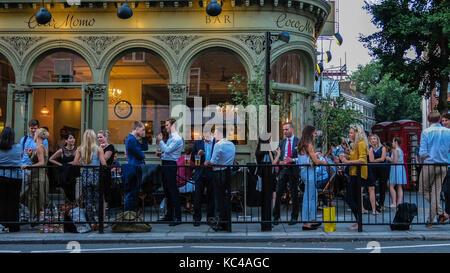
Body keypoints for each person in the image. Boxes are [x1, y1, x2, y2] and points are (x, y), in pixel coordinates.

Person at [418, 112, 450, 228]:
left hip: (429, 164)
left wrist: (421, 163)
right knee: (437, 192)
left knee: (423, 190)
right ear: (440, 119)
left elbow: (422, 152)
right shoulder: (448, 132)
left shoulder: (426, 132)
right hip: (444, 165)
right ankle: (431, 219)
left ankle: (441, 213)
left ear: (428, 120)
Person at [73, 129, 107, 231]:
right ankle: (98, 222)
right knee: (97, 199)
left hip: (86, 175)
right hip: (96, 174)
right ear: (93, 138)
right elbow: (103, 163)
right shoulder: (98, 149)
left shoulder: (80, 149)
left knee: (88, 200)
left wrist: (84, 164)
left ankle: (91, 222)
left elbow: (75, 162)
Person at [297, 125, 328, 231]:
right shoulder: (309, 144)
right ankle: (306, 222)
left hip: (306, 171)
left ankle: (312, 219)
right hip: (309, 171)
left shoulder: (303, 144)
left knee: (313, 195)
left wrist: (315, 154)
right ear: (310, 133)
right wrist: (324, 162)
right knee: (308, 196)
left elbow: (308, 157)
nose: (315, 135)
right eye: (314, 133)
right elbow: (315, 161)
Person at [205, 125, 236, 232]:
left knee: (218, 198)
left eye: (215, 133)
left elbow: (213, 162)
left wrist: (206, 162)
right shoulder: (232, 145)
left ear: (220, 134)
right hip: (228, 173)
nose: (214, 135)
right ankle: (227, 223)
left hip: (218, 173)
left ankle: (219, 223)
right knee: (225, 198)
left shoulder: (218, 145)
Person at [339, 124, 368, 231]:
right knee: (353, 198)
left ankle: (359, 221)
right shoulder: (354, 145)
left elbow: (362, 160)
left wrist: (347, 161)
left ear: (357, 133)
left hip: (359, 175)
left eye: (351, 133)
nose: (349, 134)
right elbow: (354, 156)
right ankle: (358, 221)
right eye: (349, 132)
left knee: (350, 198)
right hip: (354, 173)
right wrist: (345, 156)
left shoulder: (361, 144)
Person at [157, 118, 184, 226]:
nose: (166, 127)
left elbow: (168, 150)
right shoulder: (171, 138)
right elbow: (167, 152)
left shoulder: (177, 138)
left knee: (173, 191)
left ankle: (177, 217)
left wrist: (160, 142)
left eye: (167, 125)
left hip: (171, 165)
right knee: (167, 191)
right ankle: (169, 215)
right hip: (166, 163)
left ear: (173, 125)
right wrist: (161, 155)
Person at [273, 122, 300, 226]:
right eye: (283, 130)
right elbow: (279, 156)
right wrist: (280, 162)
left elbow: (302, 158)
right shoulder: (281, 142)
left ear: (292, 129)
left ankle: (294, 217)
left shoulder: (298, 142)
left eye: (286, 129)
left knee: (294, 194)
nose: (284, 132)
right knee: (279, 192)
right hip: (283, 170)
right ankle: (276, 217)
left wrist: (292, 159)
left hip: (293, 170)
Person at [20, 127, 49, 224]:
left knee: (35, 198)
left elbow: (41, 163)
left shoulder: (40, 147)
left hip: (38, 178)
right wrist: (30, 155)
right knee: (35, 198)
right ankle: (37, 219)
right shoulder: (42, 147)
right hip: (40, 176)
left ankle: (37, 220)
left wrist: (28, 165)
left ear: (38, 135)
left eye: (35, 134)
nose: (33, 135)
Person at [191, 130, 216, 227]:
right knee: (197, 196)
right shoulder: (198, 143)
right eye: (204, 136)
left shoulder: (216, 143)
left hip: (212, 171)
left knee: (211, 196)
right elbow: (193, 158)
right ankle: (197, 219)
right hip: (200, 171)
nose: (205, 137)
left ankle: (210, 218)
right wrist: (198, 154)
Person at [0, 127, 22, 232]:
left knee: (2, 201)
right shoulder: (18, 147)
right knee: (14, 201)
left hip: (2, 176)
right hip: (15, 177)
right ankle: (14, 225)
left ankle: (3, 223)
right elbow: (20, 159)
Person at [124, 121, 149, 212]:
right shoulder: (131, 139)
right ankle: (128, 215)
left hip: (136, 168)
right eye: (142, 130)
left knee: (134, 193)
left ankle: (131, 215)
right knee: (132, 193)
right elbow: (141, 155)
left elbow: (145, 148)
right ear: (137, 128)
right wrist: (142, 155)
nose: (143, 131)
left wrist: (144, 137)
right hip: (133, 168)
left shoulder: (134, 139)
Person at [20, 119, 49, 192]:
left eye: (35, 128)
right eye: (31, 128)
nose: (33, 130)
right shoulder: (24, 139)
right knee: (25, 191)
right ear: (28, 128)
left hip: (35, 169)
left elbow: (44, 156)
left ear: (38, 128)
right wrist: (29, 155)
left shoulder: (43, 141)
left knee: (33, 192)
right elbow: (21, 154)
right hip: (24, 168)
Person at [48, 132, 78, 203]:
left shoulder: (77, 150)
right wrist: (60, 165)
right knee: (66, 197)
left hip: (74, 175)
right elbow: (50, 159)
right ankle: (67, 212)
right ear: (66, 141)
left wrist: (73, 163)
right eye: (70, 138)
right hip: (65, 176)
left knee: (75, 197)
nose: (73, 140)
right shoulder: (61, 150)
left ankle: (74, 211)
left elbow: (81, 160)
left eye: (73, 138)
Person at [255, 138, 278, 210]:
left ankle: (266, 211)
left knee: (265, 194)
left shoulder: (258, 151)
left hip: (261, 174)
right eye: (270, 140)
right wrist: (278, 154)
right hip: (269, 174)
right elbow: (273, 163)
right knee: (273, 193)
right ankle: (273, 210)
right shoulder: (268, 151)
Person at [367, 134, 388, 214]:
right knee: (372, 186)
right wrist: (377, 160)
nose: (373, 140)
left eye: (374, 138)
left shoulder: (383, 148)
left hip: (383, 169)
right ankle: (375, 203)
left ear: (377, 140)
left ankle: (381, 204)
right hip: (373, 169)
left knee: (382, 186)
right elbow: (372, 160)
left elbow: (383, 159)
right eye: (371, 139)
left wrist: (374, 160)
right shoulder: (370, 148)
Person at [386, 137, 407, 208]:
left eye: (392, 142)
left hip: (396, 168)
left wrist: (389, 158)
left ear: (395, 142)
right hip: (401, 168)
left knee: (390, 185)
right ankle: (399, 203)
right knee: (399, 186)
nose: (392, 143)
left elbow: (394, 161)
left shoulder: (395, 150)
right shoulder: (400, 150)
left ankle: (394, 202)